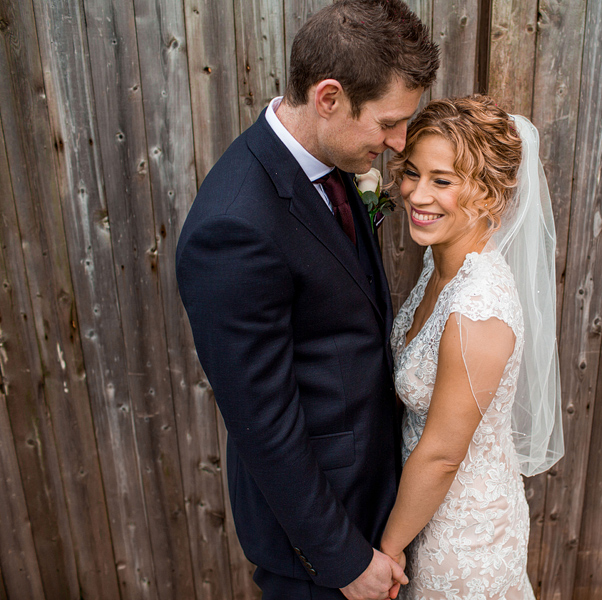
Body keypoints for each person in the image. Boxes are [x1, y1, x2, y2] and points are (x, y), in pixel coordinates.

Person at [175, 1, 439, 598]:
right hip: (319, 549)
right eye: (389, 122)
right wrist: (343, 560)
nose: (399, 143)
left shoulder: (330, 159)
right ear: (328, 98)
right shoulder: (233, 227)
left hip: (374, 499)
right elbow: (262, 424)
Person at [380, 96, 564, 599]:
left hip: (463, 538)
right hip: (424, 511)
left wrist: (389, 548)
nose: (417, 194)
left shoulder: (479, 308)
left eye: (442, 180)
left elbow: (441, 454)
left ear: (489, 194)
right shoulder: (440, 266)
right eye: (412, 173)